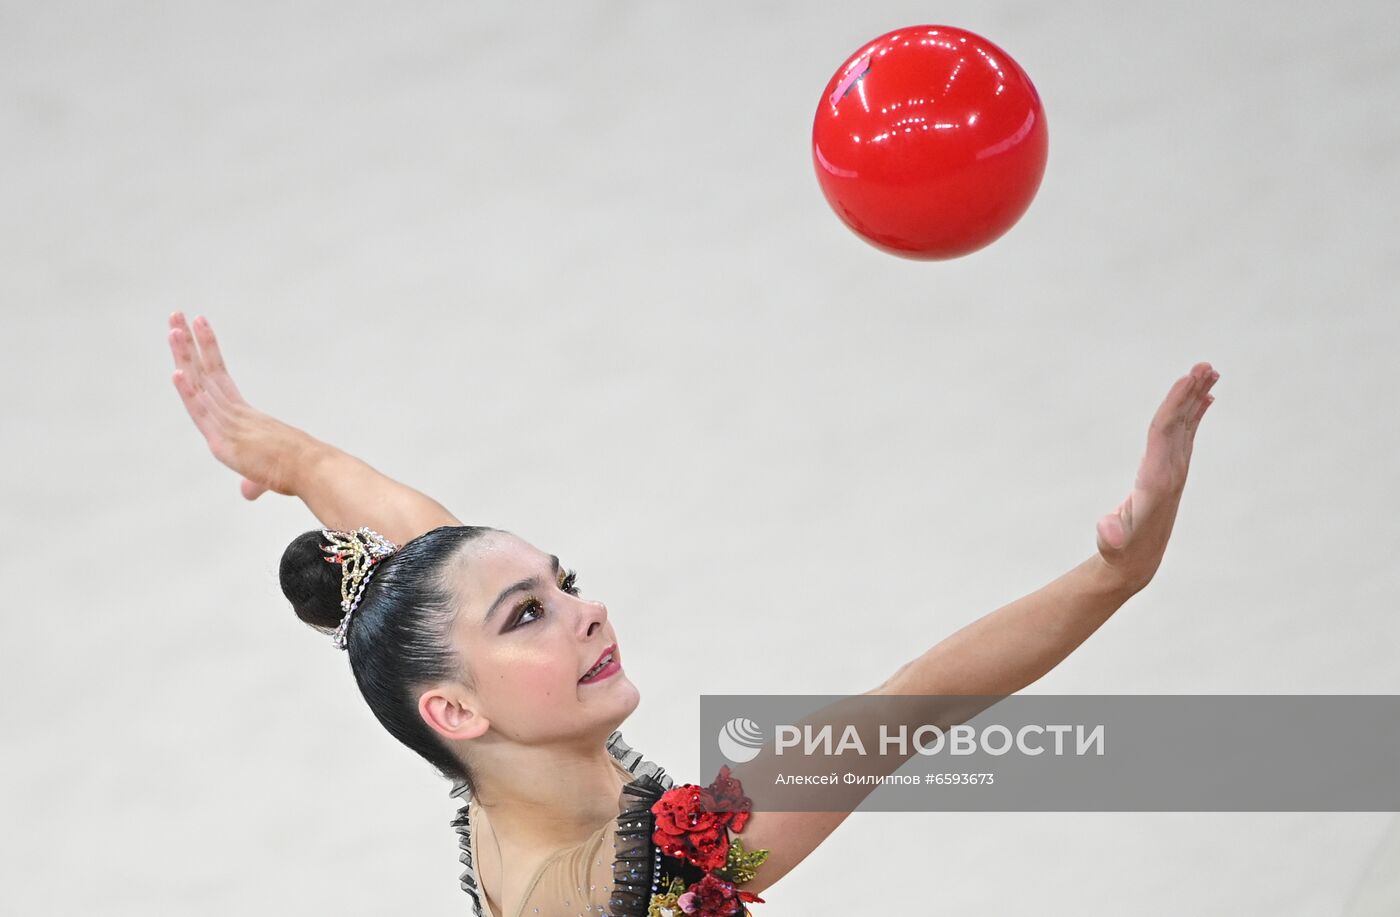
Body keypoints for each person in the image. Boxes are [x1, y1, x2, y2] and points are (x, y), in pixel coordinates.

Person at [167, 311, 1218, 916]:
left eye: (562, 581)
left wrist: (296, 458)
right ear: (455, 709)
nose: (586, 611)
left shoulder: (503, 744)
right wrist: (1109, 578)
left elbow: (419, 543)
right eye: (531, 612)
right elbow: (904, 711)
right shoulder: (620, 887)